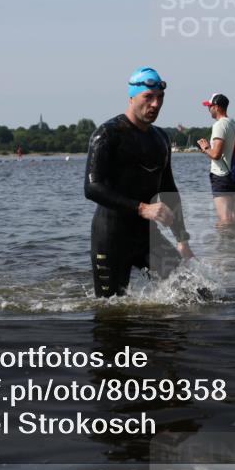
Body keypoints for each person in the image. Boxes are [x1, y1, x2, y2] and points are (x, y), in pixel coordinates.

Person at [84, 67, 194, 298]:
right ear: (132, 97)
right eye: (148, 97)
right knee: (111, 310)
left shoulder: (161, 138)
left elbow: (168, 189)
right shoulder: (107, 134)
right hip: (111, 237)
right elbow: (92, 188)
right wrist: (142, 208)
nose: (155, 104)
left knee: (194, 292)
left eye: (160, 98)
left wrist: (182, 238)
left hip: (147, 237)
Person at [196, 93, 235, 226]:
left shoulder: (219, 125)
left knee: (224, 219)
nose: (208, 109)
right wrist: (208, 150)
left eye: (209, 106)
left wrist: (206, 148)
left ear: (216, 107)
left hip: (221, 176)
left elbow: (216, 154)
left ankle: (223, 240)